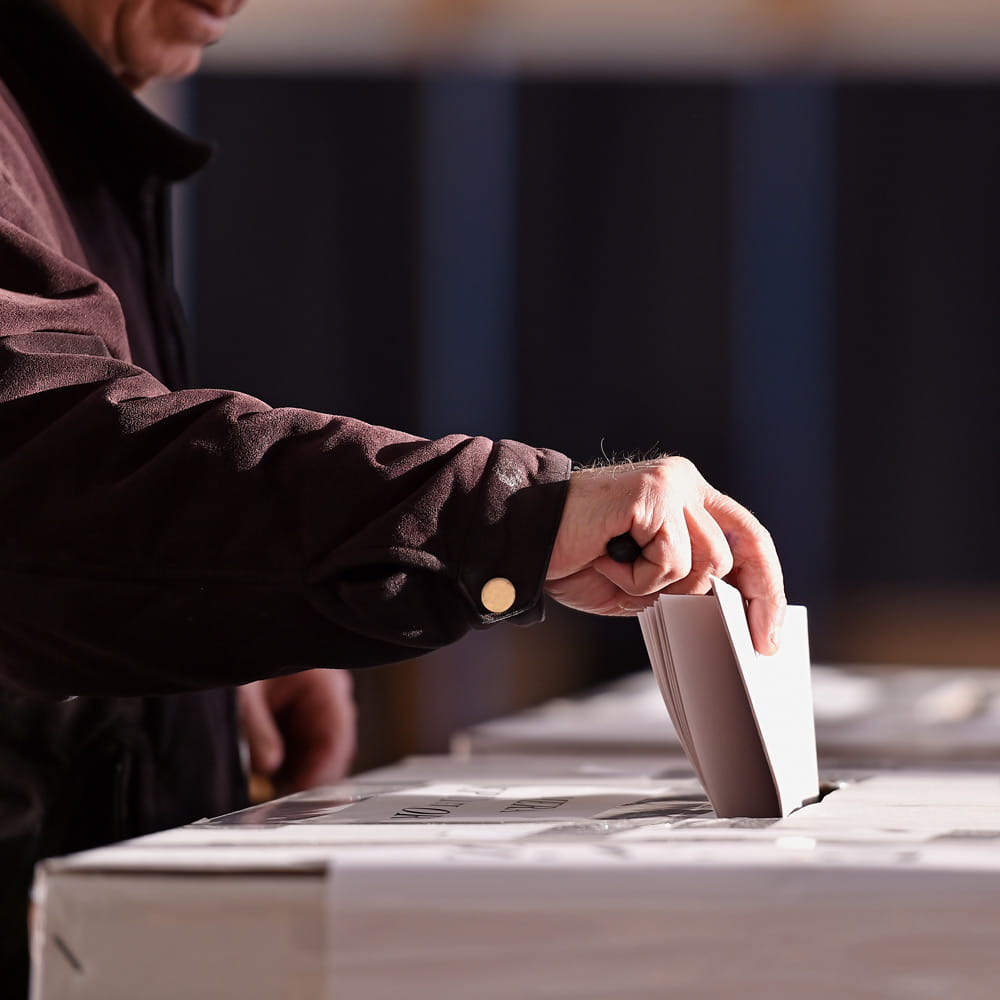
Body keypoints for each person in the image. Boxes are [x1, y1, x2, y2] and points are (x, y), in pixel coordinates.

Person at [0, 0, 786, 991]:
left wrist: (209, 653)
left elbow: (76, 545)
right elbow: (38, 487)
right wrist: (506, 514)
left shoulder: (61, 121)